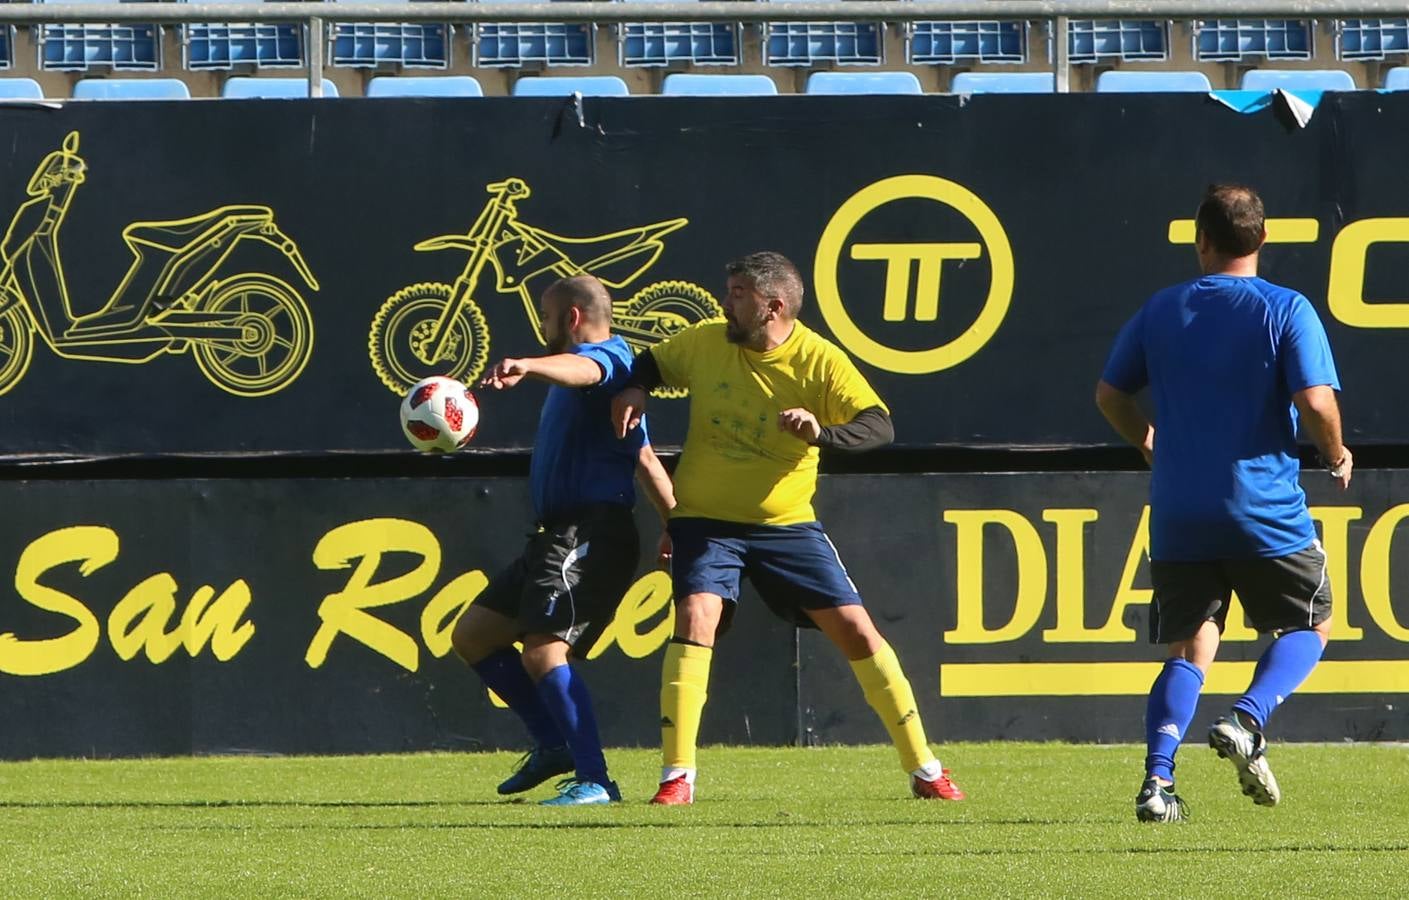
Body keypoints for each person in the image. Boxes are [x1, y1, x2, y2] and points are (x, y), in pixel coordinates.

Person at [611, 250, 964, 806]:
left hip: (786, 525)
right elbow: (648, 364)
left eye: (737, 296)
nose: (725, 304)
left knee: (857, 630)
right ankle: (676, 777)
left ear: (773, 306)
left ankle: (925, 769)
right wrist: (635, 386)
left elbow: (878, 426)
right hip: (706, 521)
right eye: (728, 293)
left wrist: (821, 432)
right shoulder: (705, 341)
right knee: (696, 615)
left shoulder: (820, 361)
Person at [1096, 184, 1351, 824]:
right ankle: (1248, 718)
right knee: (1312, 624)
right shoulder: (1285, 308)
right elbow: (1317, 403)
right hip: (1262, 510)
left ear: (1200, 242)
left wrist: (1147, 439)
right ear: (1262, 241)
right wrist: (1336, 453)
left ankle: (1158, 784)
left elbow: (1109, 393)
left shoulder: (1162, 309)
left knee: (1187, 649)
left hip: (1180, 512)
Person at [451, 274, 674, 807]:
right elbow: (643, 457)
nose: (544, 327)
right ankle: (555, 744)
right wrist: (675, 520)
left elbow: (585, 367)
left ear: (571, 318)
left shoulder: (611, 360)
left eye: (547, 317)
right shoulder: (593, 392)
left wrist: (529, 365)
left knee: (545, 649)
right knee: (475, 635)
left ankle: (596, 780)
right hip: (556, 533)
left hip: (592, 529)